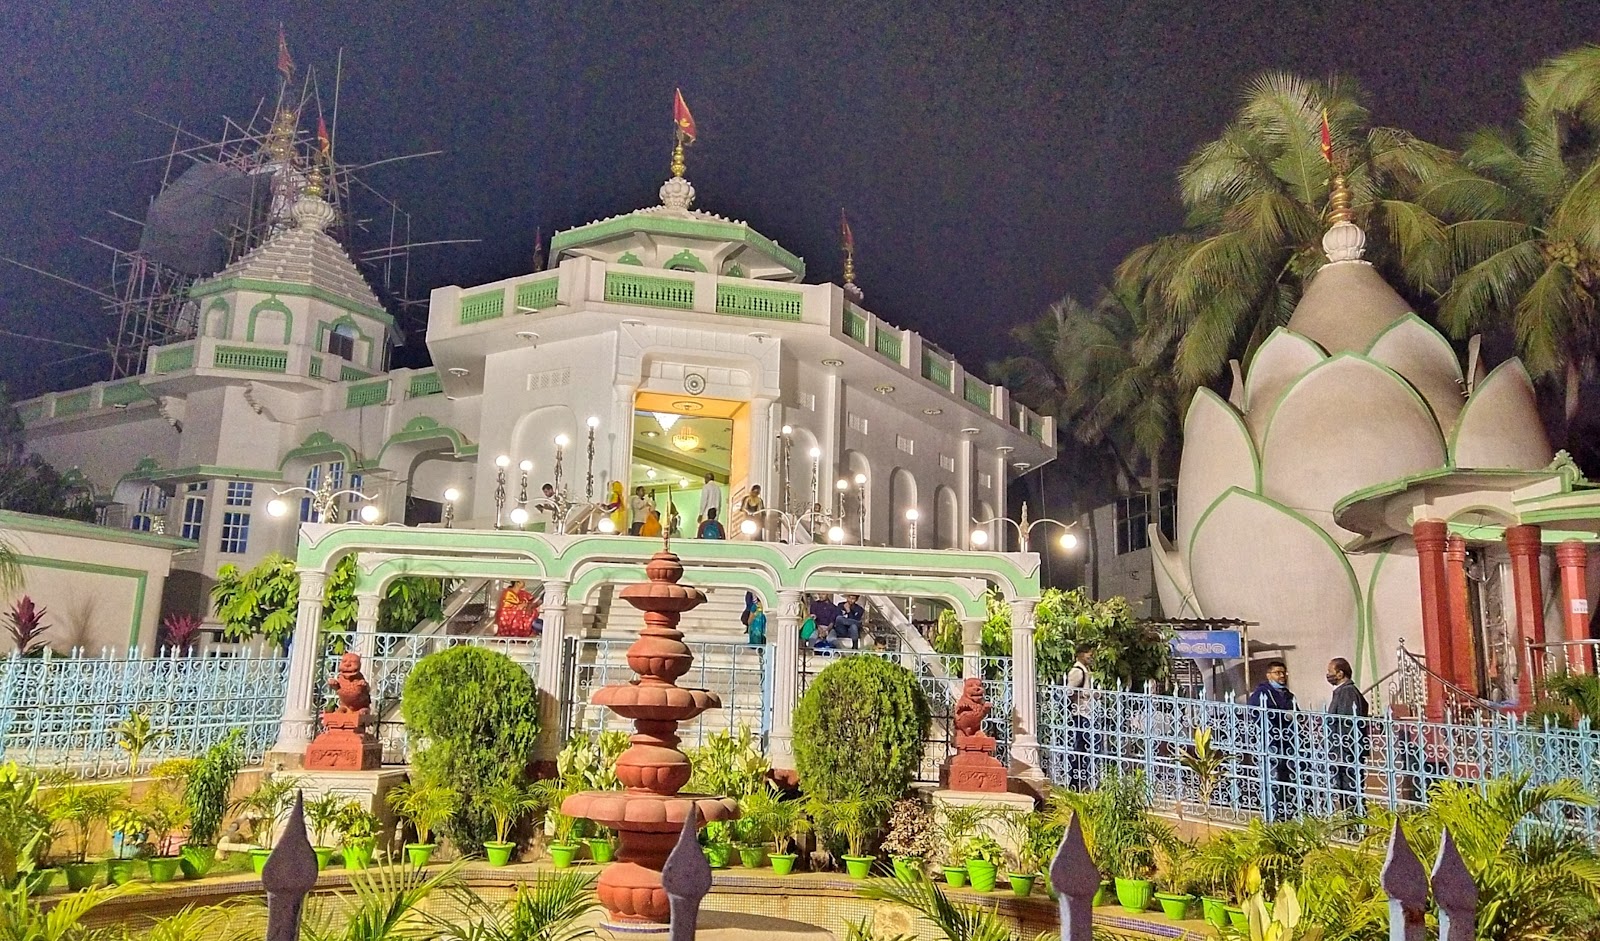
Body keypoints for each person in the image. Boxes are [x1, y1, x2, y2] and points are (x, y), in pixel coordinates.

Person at [1247, 660, 1299, 820]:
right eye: (1277, 673)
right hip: (1270, 743)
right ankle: (1271, 815)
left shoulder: (1288, 695)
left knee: (1287, 779)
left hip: (1287, 743)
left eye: (1283, 673)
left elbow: (1297, 714)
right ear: (1269, 675)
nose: (1282, 676)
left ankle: (1286, 813)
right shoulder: (1262, 693)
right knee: (1272, 779)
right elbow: (1256, 714)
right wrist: (1281, 717)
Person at [1326, 657, 1369, 812]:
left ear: (1340, 673)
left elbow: (1347, 722)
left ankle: (1355, 821)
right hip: (1343, 749)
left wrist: (1343, 749)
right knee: (1344, 790)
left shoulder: (1347, 692)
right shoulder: (1342, 691)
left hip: (1347, 750)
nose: (1328, 675)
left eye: (1330, 671)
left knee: (1350, 789)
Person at [1065, 644, 1097, 789]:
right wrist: (1083, 696)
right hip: (1080, 714)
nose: (1090, 657)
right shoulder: (1077, 671)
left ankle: (1080, 779)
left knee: (1084, 748)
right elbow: (1069, 692)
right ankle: (1075, 780)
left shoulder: (1085, 670)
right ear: (1080, 655)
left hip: (1086, 714)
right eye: (1088, 654)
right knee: (1080, 747)